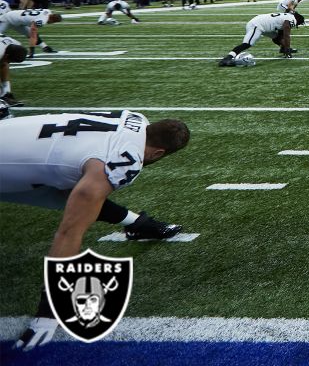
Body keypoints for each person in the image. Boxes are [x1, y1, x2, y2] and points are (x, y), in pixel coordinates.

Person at [4, 110, 189, 351]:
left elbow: (77, 194)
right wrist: (50, 311)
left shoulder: (134, 118)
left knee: (71, 192)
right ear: (158, 153)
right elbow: (69, 232)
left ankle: (139, 224)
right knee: (80, 209)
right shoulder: (123, 160)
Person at [218, 12, 298, 65]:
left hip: (262, 24)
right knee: (247, 44)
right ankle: (228, 58)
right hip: (257, 25)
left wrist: (285, 47)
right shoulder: (291, 19)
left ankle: (283, 49)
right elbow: (286, 35)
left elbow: (280, 35)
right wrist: (288, 48)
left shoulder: (287, 16)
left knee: (276, 36)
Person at [2, 36, 26, 109]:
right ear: (6, 55)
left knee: (3, 64)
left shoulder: (17, 45)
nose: (9, 62)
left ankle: (6, 94)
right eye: (10, 60)